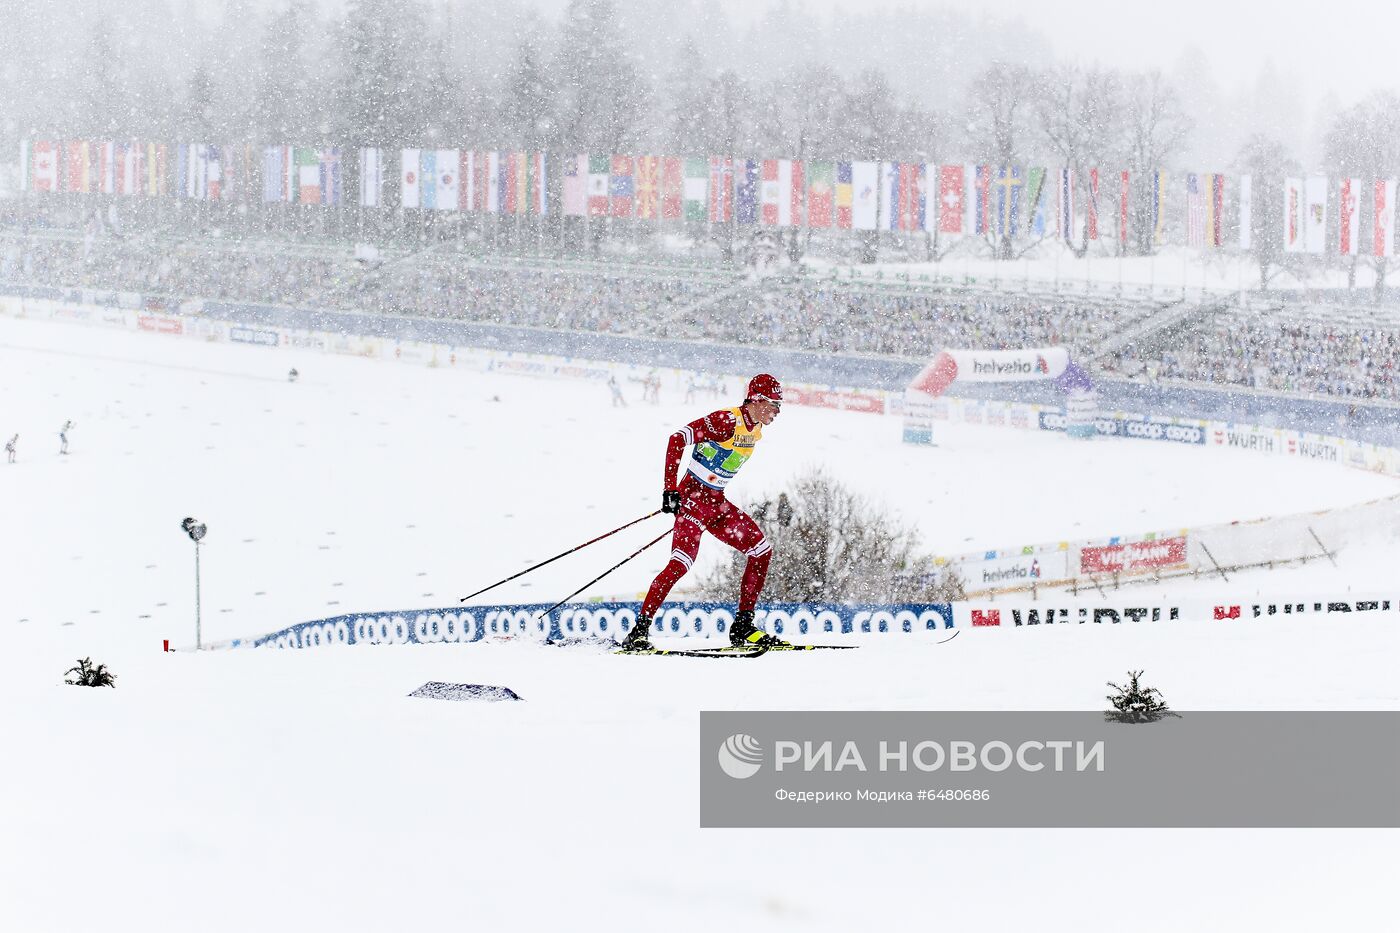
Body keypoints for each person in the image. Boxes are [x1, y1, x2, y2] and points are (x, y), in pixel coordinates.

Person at [622, 374, 788, 652]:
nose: (777, 412)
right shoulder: (726, 421)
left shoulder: (755, 428)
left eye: (779, 406)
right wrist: (669, 490)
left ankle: (743, 626)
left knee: (761, 551)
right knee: (680, 564)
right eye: (773, 405)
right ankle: (639, 632)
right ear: (757, 400)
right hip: (692, 503)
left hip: (716, 505)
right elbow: (677, 438)